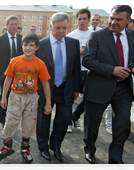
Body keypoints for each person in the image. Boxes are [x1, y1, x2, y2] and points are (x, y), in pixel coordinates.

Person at [82, 5, 134, 170]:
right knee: (92, 123)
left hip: (123, 89)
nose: (113, 22)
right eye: (111, 18)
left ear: (128, 20)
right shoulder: (97, 36)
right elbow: (87, 60)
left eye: (119, 19)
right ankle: (89, 149)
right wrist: (112, 70)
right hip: (99, 87)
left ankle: (115, 157)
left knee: (123, 125)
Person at [0, 33, 52, 166]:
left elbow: (45, 83)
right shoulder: (15, 61)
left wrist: (48, 103)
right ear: (22, 46)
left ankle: (25, 148)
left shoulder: (40, 64)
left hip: (32, 97)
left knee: (28, 123)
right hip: (15, 96)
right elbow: (8, 79)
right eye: (25, 45)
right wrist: (4, 97)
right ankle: (7, 146)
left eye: (31, 45)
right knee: (10, 121)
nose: (28, 48)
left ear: (37, 47)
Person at [36, 12, 81, 162]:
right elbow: (36, 71)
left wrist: (76, 89)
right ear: (50, 26)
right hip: (45, 90)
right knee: (43, 120)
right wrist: (36, 92)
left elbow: (76, 68)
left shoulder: (73, 43)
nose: (61, 31)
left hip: (65, 89)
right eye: (57, 28)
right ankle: (43, 147)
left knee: (63, 119)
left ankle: (56, 146)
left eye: (64, 27)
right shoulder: (40, 45)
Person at [105, 18, 134, 135]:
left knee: (123, 120)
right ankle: (109, 125)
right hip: (107, 80)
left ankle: (118, 143)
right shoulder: (104, 36)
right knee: (106, 107)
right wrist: (112, 70)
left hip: (126, 81)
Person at [0, 15, 23, 126]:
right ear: (7, 25)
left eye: (15, 24)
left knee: (16, 97)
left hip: (18, 74)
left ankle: (12, 118)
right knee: (5, 95)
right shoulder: (0, 40)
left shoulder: (22, 39)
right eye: (11, 24)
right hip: (3, 73)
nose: (14, 26)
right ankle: (3, 118)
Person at [67, 8, 93, 133]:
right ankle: (68, 121)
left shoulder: (94, 35)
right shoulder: (71, 36)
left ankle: (75, 116)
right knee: (70, 97)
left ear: (89, 20)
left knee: (88, 98)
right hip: (75, 71)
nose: (82, 21)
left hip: (90, 72)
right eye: (79, 19)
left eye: (84, 19)